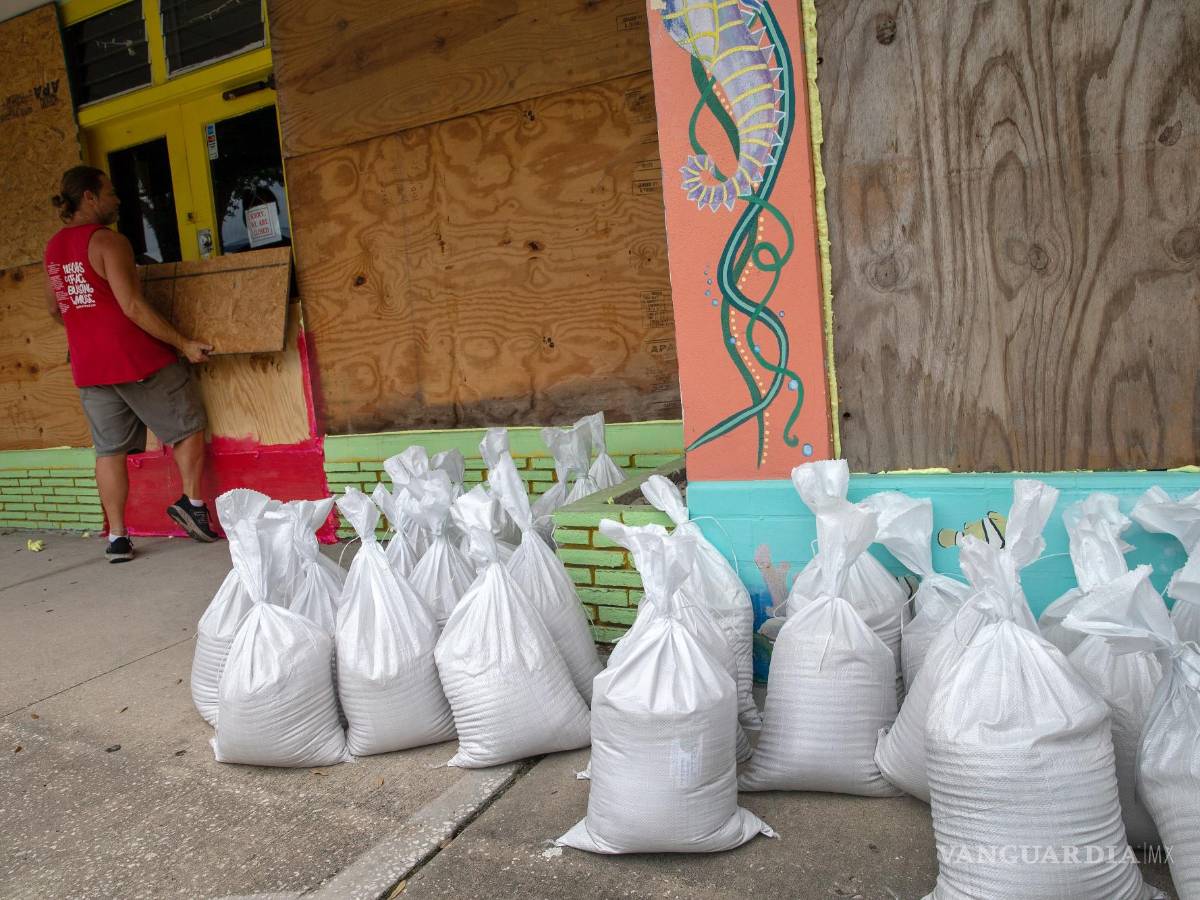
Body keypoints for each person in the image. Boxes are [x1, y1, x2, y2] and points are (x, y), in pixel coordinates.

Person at [43, 166, 221, 562]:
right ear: (89, 196)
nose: (117, 199)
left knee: (108, 451)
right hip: (136, 359)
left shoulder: (53, 249)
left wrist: (87, 330)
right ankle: (192, 504)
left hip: (90, 367)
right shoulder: (108, 241)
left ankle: (118, 537)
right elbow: (133, 306)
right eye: (110, 191)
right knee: (188, 423)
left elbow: (58, 309)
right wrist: (184, 343)